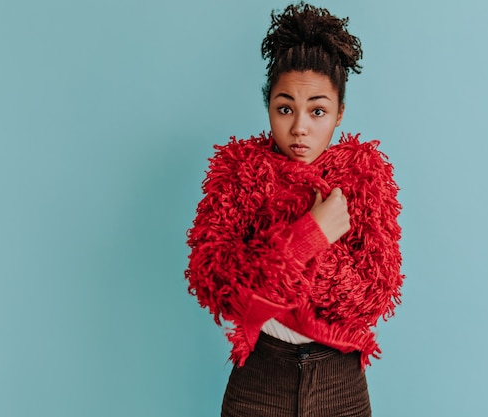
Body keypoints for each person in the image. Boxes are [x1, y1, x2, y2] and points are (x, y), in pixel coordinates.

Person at [185, 2, 404, 416]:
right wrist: (310, 236)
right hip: (259, 380)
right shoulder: (239, 172)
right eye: (285, 108)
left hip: (340, 381)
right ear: (268, 105)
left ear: (339, 114)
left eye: (317, 111)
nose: (299, 127)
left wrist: (274, 266)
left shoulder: (363, 177)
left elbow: (375, 294)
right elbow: (214, 279)